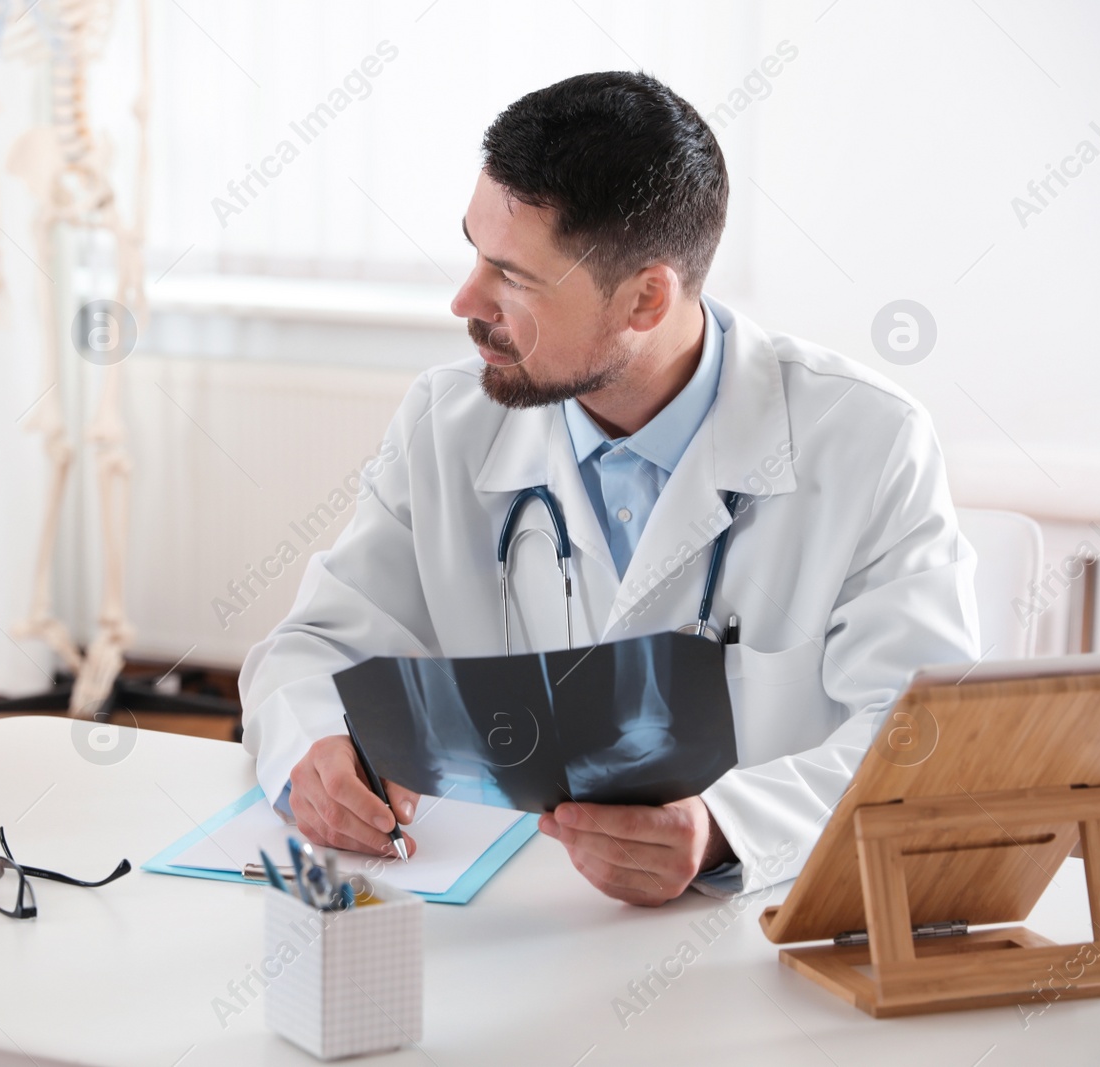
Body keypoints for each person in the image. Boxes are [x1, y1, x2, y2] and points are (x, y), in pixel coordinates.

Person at [238, 72, 979, 905]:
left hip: (755, 942)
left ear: (645, 298)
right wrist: (312, 746)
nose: (465, 300)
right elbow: (310, 650)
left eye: (512, 277)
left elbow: (922, 736)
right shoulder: (446, 423)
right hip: (510, 927)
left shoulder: (870, 442)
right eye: (474, 251)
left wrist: (726, 829)